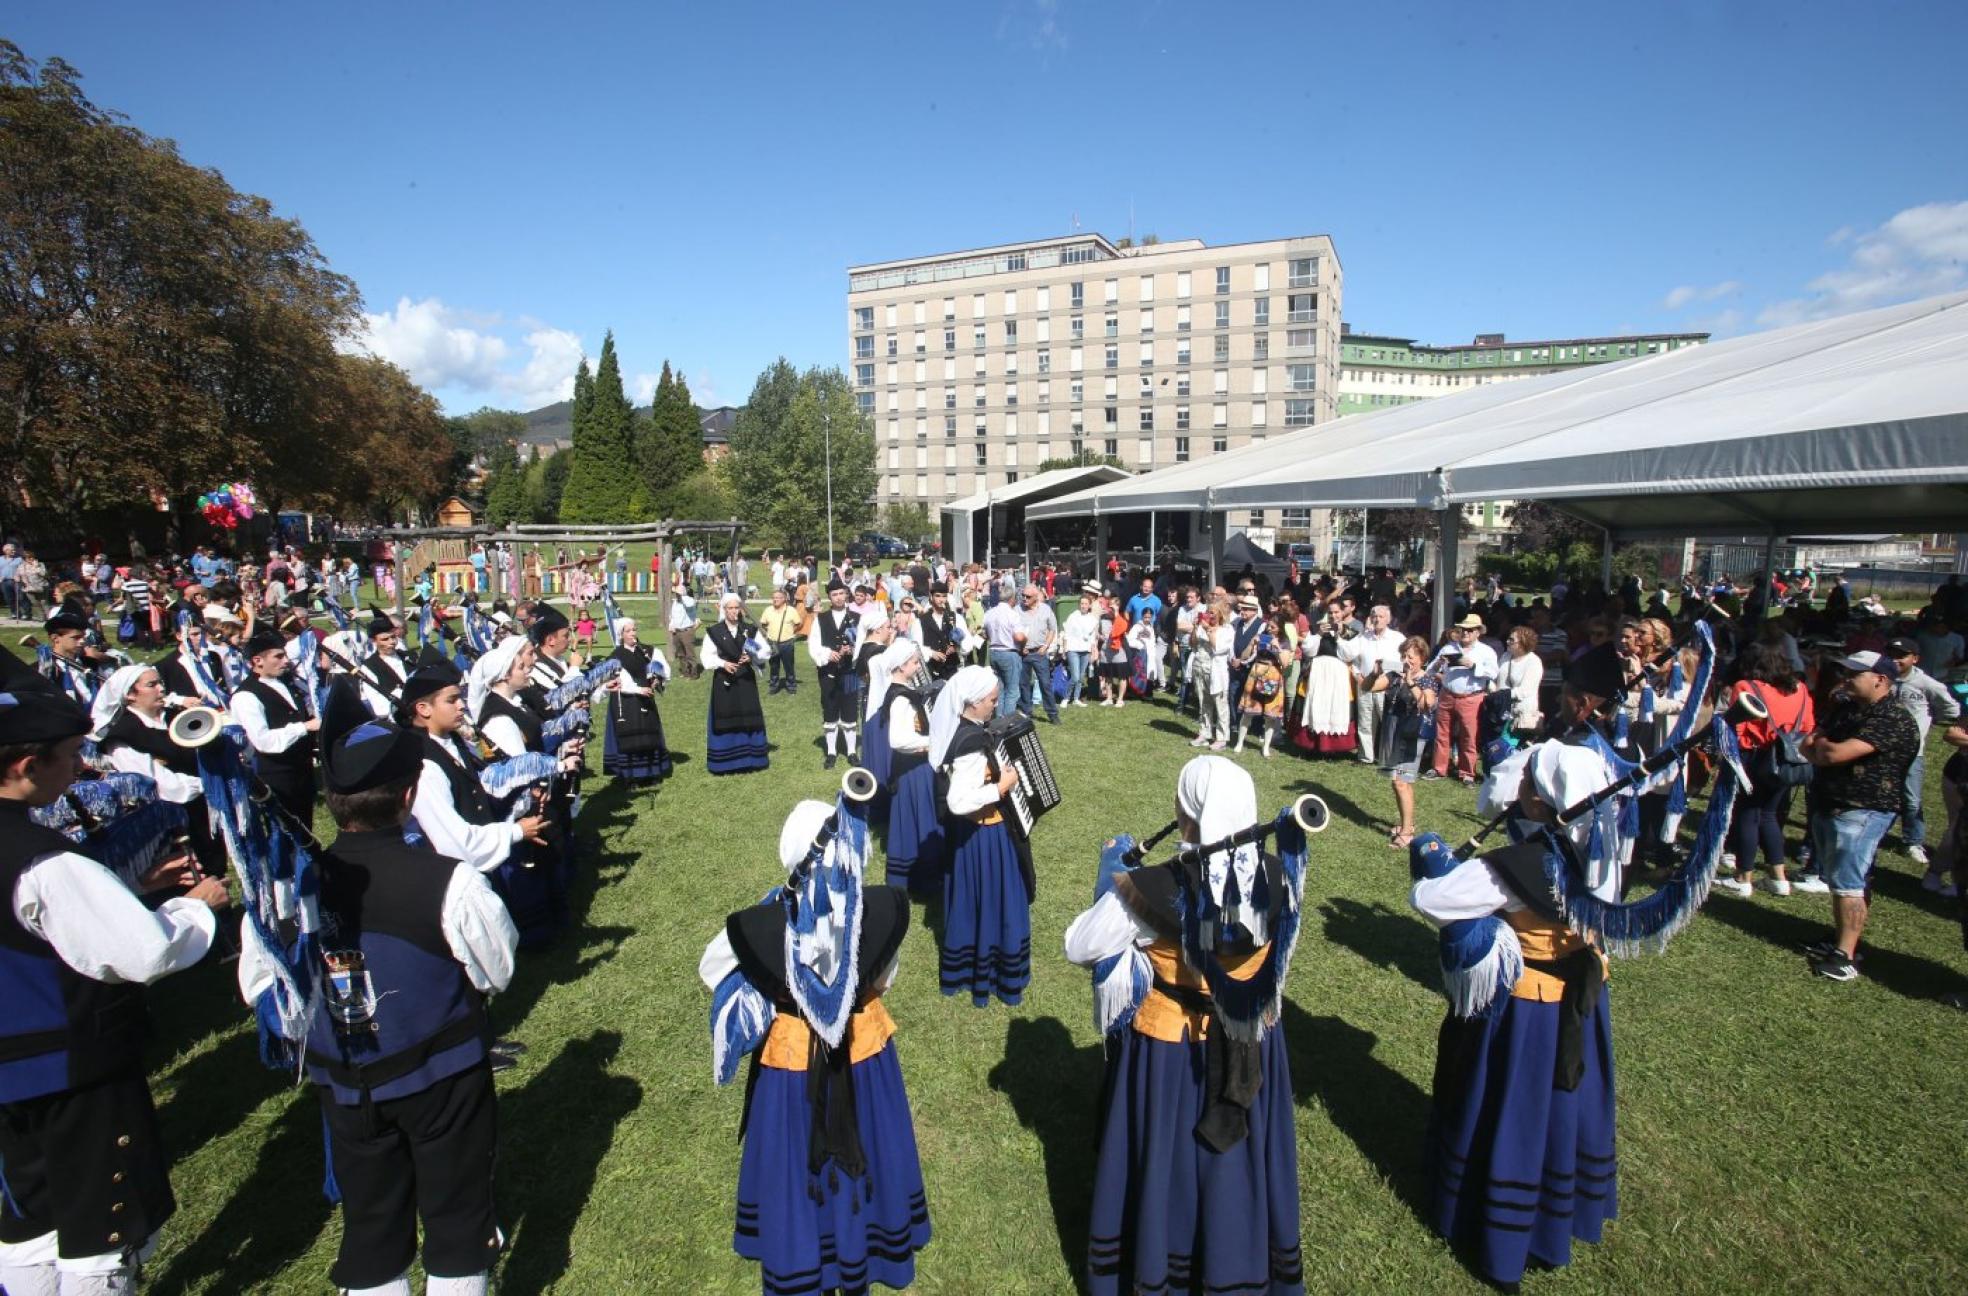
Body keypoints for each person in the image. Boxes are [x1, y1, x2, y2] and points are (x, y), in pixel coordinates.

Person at [248, 710, 518, 1296]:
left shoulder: (295, 886)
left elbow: (266, 987)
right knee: (456, 1219)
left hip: (343, 1085)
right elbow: (496, 971)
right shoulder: (452, 880)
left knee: (370, 1224)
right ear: (410, 794)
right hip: (442, 1075)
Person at [0, 682, 227, 1296]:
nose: (79, 768)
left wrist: (136, 893)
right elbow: (144, 952)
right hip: (74, 1066)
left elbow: (35, 934)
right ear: (26, 766)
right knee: (99, 1229)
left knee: (31, 1216)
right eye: (70, 755)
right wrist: (192, 907)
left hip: (10, 1069)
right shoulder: (44, 859)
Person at [1064, 756, 1305, 1296]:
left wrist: (1110, 881)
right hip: (1251, 1042)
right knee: (1233, 1166)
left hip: (1172, 1051)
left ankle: (1160, 1265)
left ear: (1187, 813)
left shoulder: (1152, 889)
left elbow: (1079, 945)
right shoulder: (1280, 875)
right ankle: (1233, 1264)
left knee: (1168, 1163)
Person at [1408, 743, 1626, 1288]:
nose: (1519, 786)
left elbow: (1432, 901)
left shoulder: (1511, 869)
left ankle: (1500, 1229)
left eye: (1527, 781)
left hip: (1523, 1007)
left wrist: (1433, 860)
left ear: (1538, 800)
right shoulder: (1606, 852)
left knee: (1511, 1108)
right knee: (1560, 1105)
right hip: (1580, 998)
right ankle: (1558, 1214)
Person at [699, 798, 931, 1296]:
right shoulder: (883, 908)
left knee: (797, 1175)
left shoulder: (761, 924)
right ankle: (859, 1258)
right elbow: (885, 978)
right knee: (866, 1158)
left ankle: (808, 1262)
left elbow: (711, 968)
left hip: (791, 1069)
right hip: (865, 1058)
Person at [1801, 651, 1922, 981]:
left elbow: (1833, 752)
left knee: (1849, 884)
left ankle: (1845, 956)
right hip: (1830, 802)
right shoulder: (1845, 709)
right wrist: (1823, 748)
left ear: (1880, 680)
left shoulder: (1893, 719)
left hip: (1863, 810)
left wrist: (1823, 748)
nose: (1847, 679)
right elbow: (1807, 745)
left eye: (1856, 674)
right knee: (1842, 880)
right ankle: (1843, 940)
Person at [930, 666, 1031, 1007]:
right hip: (983, 835)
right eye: (991, 699)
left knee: (975, 901)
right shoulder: (970, 740)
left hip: (971, 834)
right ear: (973, 703)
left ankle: (973, 966)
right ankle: (993, 973)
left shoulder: (964, 728)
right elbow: (958, 800)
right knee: (995, 901)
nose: (995, 704)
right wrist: (1000, 786)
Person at [1715, 643, 1818, 898]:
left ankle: (1743, 877)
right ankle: (1778, 877)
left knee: (1748, 814)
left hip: (1753, 755)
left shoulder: (1746, 687)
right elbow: (1808, 724)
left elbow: (1736, 729)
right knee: (1770, 815)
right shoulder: (1801, 690)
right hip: (1785, 757)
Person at [868, 639, 943, 894]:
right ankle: (920, 875)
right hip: (912, 768)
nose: (917, 665)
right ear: (901, 667)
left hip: (914, 765)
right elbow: (898, 740)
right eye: (913, 662)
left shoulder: (903, 689)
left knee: (919, 814)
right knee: (919, 814)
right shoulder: (899, 698)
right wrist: (932, 742)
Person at [1885, 636, 1960, 877]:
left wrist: (1929, 722)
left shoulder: (1927, 684)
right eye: (1892, 654)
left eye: (1901, 656)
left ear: (1915, 659)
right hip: (1879, 747)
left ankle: (1913, 840)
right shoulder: (1881, 676)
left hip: (1910, 751)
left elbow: (1952, 708)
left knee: (1911, 798)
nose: (1895, 660)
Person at [231, 627, 321, 828]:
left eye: (285, 655)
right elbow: (263, 740)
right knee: (285, 833)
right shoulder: (246, 696)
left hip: (300, 770)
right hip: (275, 775)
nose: (286, 661)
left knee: (306, 827)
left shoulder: (286, 683)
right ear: (257, 661)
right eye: (278, 656)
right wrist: (304, 727)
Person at [1372, 635, 1438, 849]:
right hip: (1394, 730)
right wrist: (1374, 673)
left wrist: (1411, 682)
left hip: (1412, 733)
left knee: (1401, 782)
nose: (1406, 660)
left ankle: (1407, 832)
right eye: (1403, 655)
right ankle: (1405, 824)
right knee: (1399, 781)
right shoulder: (1394, 676)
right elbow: (1368, 687)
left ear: (1422, 658)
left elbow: (1427, 703)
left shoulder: (1426, 679)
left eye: (1411, 656)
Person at [1425, 615, 1498, 785]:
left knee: (1469, 736)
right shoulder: (1449, 647)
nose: (1465, 633)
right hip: (1447, 694)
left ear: (1478, 632)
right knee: (1442, 733)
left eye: (1470, 630)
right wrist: (1439, 664)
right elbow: (1429, 670)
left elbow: (1493, 673)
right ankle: (1438, 768)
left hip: (1471, 697)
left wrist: (1472, 665)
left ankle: (1467, 773)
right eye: (1463, 629)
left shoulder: (1486, 651)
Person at [701, 593, 769, 775]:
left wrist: (752, 656)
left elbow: (765, 651)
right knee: (725, 716)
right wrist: (723, 663)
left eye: (736, 608)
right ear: (723, 610)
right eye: (729, 608)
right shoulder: (714, 632)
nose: (733, 612)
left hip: (746, 679)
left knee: (748, 716)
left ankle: (752, 759)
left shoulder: (749, 629)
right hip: (724, 681)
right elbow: (706, 656)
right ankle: (724, 763)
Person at [603, 618, 672, 784]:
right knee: (630, 737)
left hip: (646, 698)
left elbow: (663, 669)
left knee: (648, 734)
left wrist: (658, 679)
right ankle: (630, 776)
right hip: (625, 701)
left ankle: (651, 772)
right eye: (628, 631)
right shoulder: (615, 656)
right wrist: (638, 689)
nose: (633, 633)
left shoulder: (648, 651)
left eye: (634, 630)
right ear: (621, 635)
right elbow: (621, 680)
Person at [807, 579, 862, 770]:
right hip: (828, 672)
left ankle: (852, 752)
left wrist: (852, 650)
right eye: (834, 595)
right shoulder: (820, 619)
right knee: (830, 710)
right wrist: (828, 654)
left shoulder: (857, 617)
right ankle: (831, 752)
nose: (838, 598)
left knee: (849, 710)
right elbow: (813, 645)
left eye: (841, 593)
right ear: (829, 597)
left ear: (846, 594)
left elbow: (863, 644)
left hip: (849, 672)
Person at [1343, 604, 1404, 764]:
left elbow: (1404, 662)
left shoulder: (1397, 638)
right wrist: (1357, 676)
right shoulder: (1363, 637)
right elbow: (1351, 658)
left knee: (1388, 723)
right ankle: (1366, 756)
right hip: (1365, 685)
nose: (1377, 619)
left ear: (1388, 619)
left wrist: (1390, 679)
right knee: (1365, 722)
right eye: (1374, 616)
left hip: (1388, 687)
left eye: (1381, 616)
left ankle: (1389, 757)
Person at [1015, 583, 1061, 725]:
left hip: (1039, 652)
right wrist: (1020, 647)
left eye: (1028, 596)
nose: (1024, 598)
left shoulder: (1046, 610)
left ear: (1036, 597)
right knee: (1023, 683)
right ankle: (1026, 712)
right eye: (1023, 595)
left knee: (1045, 683)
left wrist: (1046, 645)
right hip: (1023, 653)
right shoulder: (1017, 610)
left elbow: (1053, 629)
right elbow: (1013, 630)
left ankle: (1052, 714)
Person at [1190, 603, 1233, 750]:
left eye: (1213, 612)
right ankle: (1204, 733)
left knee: (1220, 705)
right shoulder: (1202, 627)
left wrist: (1208, 628)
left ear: (1221, 614)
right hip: (1200, 668)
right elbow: (1193, 644)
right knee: (1203, 703)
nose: (1210, 615)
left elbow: (1217, 647)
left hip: (1216, 672)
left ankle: (1222, 738)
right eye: (1208, 612)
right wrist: (1195, 628)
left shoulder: (1227, 630)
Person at [982, 589, 1026, 719]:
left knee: (1000, 689)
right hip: (1009, 652)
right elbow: (1018, 637)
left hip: (994, 651)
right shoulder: (1012, 614)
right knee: (1012, 690)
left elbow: (985, 634)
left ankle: (999, 718)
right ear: (1012, 599)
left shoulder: (989, 613)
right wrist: (1025, 640)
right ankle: (1008, 721)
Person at [1494, 625, 1545, 737]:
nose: (1507, 641)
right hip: (1500, 709)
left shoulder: (1534, 661)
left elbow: (1526, 690)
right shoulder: (1505, 656)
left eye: (1511, 640)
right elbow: (1496, 678)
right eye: (1508, 638)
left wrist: (1502, 695)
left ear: (1523, 643)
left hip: (1520, 714)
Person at [757, 588, 804, 696]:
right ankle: (774, 686)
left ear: (784, 599)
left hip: (787, 643)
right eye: (774, 598)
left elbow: (799, 623)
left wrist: (792, 632)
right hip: (772, 643)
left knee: (789, 666)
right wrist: (766, 634)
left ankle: (791, 686)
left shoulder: (791, 610)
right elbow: (762, 624)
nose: (775, 600)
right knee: (773, 666)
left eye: (778, 598)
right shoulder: (768, 610)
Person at [1060, 593, 1099, 710]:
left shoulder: (1093, 619)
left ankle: (1076, 698)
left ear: (1089, 605)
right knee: (1075, 676)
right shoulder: (1073, 616)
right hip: (1073, 649)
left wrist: (1093, 651)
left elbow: (1093, 637)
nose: (1083, 606)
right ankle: (1066, 698)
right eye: (1081, 603)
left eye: (1086, 604)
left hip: (1085, 650)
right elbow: (1066, 633)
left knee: (1081, 677)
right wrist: (1064, 649)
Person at [918, 582, 964, 683]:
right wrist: (931, 653)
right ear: (931, 597)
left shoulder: (955, 617)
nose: (941, 599)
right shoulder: (921, 620)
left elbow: (967, 643)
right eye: (937, 596)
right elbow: (917, 645)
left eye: (944, 596)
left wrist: (956, 646)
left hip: (952, 668)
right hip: (932, 669)